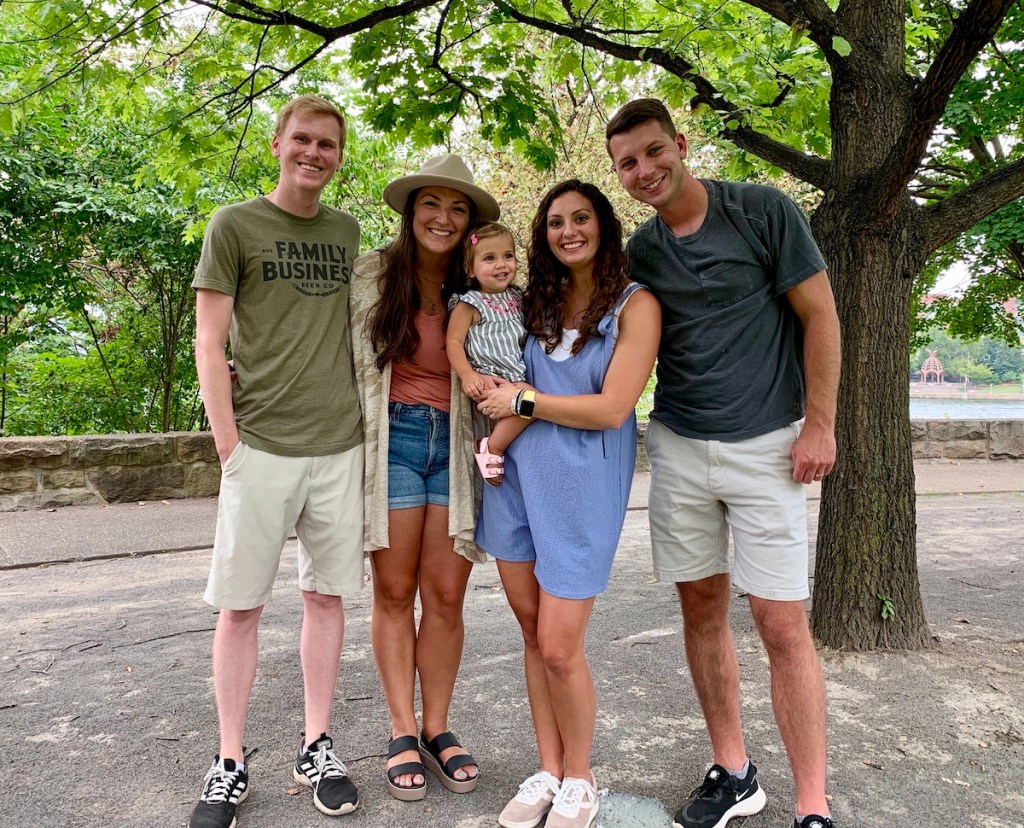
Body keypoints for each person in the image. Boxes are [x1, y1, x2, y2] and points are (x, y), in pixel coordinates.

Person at [605, 98, 842, 828]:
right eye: (627, 164)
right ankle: (735, 770)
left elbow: (821, 315)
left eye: (652, 152)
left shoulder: (762, 212)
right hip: (677, 444)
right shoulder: (639, 253)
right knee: (701, 613)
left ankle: (812, 801)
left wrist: (821, 426)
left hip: (769, 445)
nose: (644, 170)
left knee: (780, 623)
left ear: (680, 143)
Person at [189, 95, 364, 828]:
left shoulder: (349, 232)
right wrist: (228, 443)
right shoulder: (234, 225)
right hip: (260, 447)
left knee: (326, 598)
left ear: (338, 156)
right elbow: (209, 338)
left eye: (327, 144)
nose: (313, 153)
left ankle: (316, 744)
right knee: (241, 606)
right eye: (302, 140)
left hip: (339, 445)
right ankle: (230, 760)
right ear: (277, 144)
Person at [475, 180, 661, 828]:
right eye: (555, 222)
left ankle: (581, 776)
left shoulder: (636, 307)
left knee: (560, 646)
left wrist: (522, 402)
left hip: (583, 487)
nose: (568, 230)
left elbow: (613, 408)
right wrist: (493, 420)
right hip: (515, 479)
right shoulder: (536, 304)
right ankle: (548, 768)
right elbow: (494, 360)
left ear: (603, 226)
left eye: (581, 218)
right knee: (530, 634)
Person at [349, 155, 499, 802]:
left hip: (458, 444)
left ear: (469, 224)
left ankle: (437, 726)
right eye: (431, 204)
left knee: (444, 594)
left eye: (457, 207)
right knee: (394, 588)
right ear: (412, 213)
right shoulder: (370, 275)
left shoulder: (485, 289)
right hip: (394, 442)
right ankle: (401, 728)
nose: (443, 216)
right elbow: (328, 350)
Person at [445, 220, 529, 486]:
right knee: (532, 404)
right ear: (470, 268)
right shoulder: (470, 303)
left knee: (531, 404)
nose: (501, 264)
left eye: (508, 256)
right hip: (487, 377)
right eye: (489, 258)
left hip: (513, 375)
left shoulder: (518, 297)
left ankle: (496, 445)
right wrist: (467, 374)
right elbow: (454, 341)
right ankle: (491, 447)